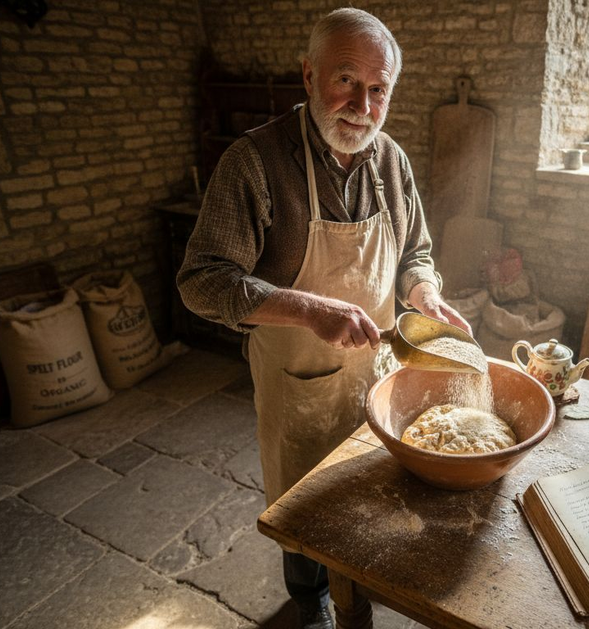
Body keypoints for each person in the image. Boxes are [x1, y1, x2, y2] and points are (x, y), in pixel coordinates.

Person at [177, 8, 468, 628]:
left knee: (369, 492)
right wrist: (307, 308)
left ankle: (359, 587)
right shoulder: (252, 163)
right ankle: (309, 603)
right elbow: (201, 283)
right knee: (303, 505)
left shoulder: (390, 161)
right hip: (297, 379)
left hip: (378, 371)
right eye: (345, 80)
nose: (362, 104)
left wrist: (423, 291)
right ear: (308, 76)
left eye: (378, 88)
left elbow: (416, 248)